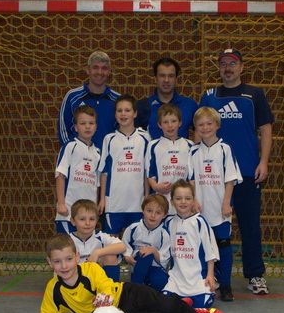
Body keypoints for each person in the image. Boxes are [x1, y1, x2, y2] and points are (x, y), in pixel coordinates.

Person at [37, 233, 223, 313]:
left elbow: (105, 284)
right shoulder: (54, 289)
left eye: (69, 259)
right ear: (49, 262)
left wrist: (105, 295)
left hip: (127, 294)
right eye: (57, 261)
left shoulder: (90, 269)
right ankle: (179, 306)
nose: (64, 266)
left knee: (168, 305)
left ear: (77, 257)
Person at [199, 49, 274, 295]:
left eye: (233, 64)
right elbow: (198, 131)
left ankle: (255, 275)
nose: (228, 68)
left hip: (247, 170)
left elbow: (265, 129)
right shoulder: (209, 96)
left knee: (250, 225)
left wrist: (263, 161)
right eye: (223, 64)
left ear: (241, 67)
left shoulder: (254, 95)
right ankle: (214, 275)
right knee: (212, 226)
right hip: (213, 178)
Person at [188, 107, 243, 302]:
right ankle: (206, 282)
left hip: (220, 208)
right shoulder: (193, 151)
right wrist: (194, 200)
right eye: (200, 124)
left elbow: (230, 179)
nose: (205, 127)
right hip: (200, 208)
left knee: (223, 244)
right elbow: (191, 179)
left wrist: (226, 202)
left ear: (217, 125)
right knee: (202, 246)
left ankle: (226, 284)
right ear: (195, 127)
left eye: (209, 123)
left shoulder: (225, 149)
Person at [98, 94, 151, 235]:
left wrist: (147, 196)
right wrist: (102, 199)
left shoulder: (145, 138)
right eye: (119, 110)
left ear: (135, 113)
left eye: (127, 110)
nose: (123, 114)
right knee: (111, 243)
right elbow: (104, 172)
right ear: (115, 114)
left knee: (136, 242)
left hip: (137, 203)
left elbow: (147, 170)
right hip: (114, 203)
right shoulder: (109, 139)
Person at [162, 180, 219, 308]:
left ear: (193, 201)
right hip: (176, 279)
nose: (183, 202)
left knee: (201, 305)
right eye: (178, 198)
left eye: (187, 198)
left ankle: (188, 302)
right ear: (172, 202)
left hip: (198, 278)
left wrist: (210, 275)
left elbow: (210, 251)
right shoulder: (169, 222)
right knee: (166, 305)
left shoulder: (199, 221)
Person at [58, 51, 120, 148]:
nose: (100, 72)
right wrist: (74, 151)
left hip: (108, 156)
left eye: (104, 68)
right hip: (79, 156)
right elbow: (63, 130)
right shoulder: (72, 97)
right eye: (95, 67)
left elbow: (121, 131)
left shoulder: (117, 100)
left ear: (109, 71)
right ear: (87, 70)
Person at [54, 106, 100, 233]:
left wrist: (96, 205)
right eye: (83, 123)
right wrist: (61, 203)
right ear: (75, 127)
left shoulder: (97, 152)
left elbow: (97, 184)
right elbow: (60, 176)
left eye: (91, 123)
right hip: (68, 212)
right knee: (66, 244)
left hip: (88, 215)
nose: (87, 127)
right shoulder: (70, 147)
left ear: (96, 127)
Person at [145, 103, 193, 216]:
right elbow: (149, 172)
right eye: (165, 122)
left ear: (180, 123)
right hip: (160, 198)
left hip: (183, 201)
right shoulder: (153, 145)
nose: (170, 125)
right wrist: (155, 186)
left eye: (173, 121)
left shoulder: (189, 145)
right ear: (159, 124)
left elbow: (192, 176)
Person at [135, 57, 198, 139]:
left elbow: (201, 131)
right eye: (162, 75)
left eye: (171, 76)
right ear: (155, 79)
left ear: (176, 79)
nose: (166, 80)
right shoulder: (143, 106)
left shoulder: (189, 105)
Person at [121, 194, 172, 291]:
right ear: (143, 210)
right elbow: (125, 245)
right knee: (146, 254)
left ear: (165, 215)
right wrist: (128, 258)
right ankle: (135, 288)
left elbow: (164, 258)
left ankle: (146, 286)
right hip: (136, 263)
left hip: (155, 266)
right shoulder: (134, 227)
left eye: (158, 213)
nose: (153, 215)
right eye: (149, 211)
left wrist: (153, 251)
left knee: (161, 281)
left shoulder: (164, 233)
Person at [68, 199, 125, 282]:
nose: (87, 223)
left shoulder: (100, 236)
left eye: (92, 219)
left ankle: (111, 288)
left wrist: (97, 253)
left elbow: (122, 246)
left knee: (110, 256)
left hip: (96, 278)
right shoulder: (67, 240)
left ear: (97, 220)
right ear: (73, 221)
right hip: (75, 279)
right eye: (82, 219)